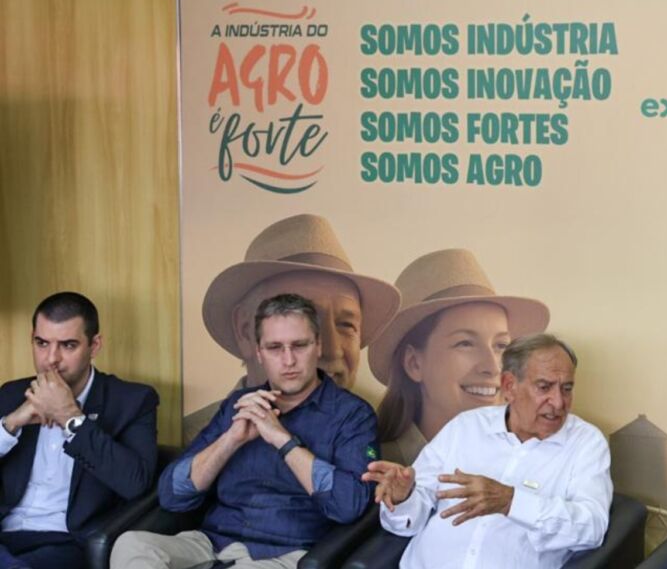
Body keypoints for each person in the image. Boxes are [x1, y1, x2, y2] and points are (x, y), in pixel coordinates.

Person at [113, 294, 377, 569]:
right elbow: (172, 495)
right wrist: (231, 439)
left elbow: (349, 506)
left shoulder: (353, 415)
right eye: (274, 348)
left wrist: (283, 441)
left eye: (299, 345)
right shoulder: (239, 404)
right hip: (213, 542)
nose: (288, 360)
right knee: (132, 545)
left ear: (318, 346)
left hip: (286, 552)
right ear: (259, 353)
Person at [363, 333, 611, 569]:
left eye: (566, 388)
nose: (558, 402)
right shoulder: (466, 426)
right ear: (509, 386)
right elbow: (407, 522)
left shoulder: (586, 443)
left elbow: (592, 528)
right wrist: (403, 498)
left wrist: (511, 502)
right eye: (544, 387)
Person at [183, 213, 401, 443]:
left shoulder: (381, 445)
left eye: (346, 324)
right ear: (245, 331)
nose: (332, 350)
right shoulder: (190, 445)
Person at [0, 291, 159, 569]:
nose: (51, 358)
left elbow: (135, 483)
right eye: (41, 343)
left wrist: (70, 417)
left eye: (68, 345)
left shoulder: (132, 401)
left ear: (94, 346)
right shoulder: (12, 394)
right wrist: (10, 424)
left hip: (66, 542)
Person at [368, 248, 549, 464]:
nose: (492, 367)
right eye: (465, 343)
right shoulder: (368, 468)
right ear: (414, 363)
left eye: (501, 345)